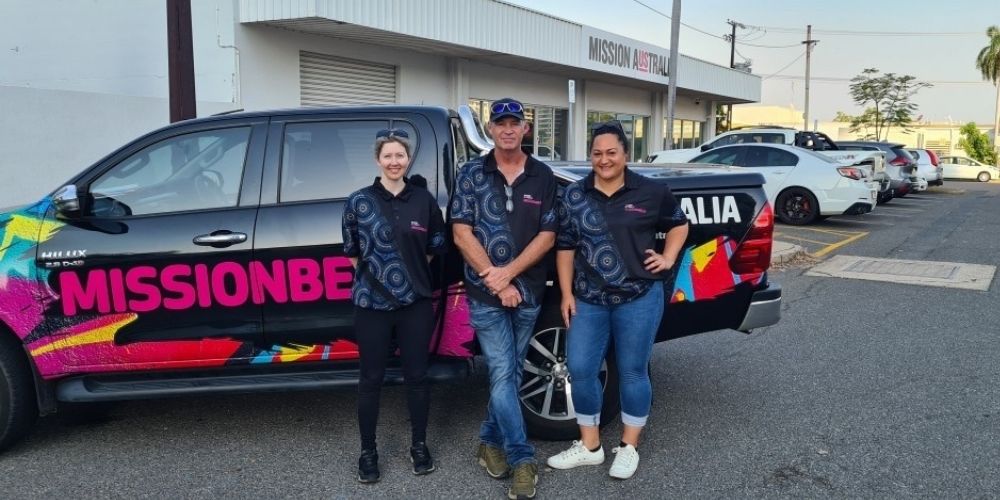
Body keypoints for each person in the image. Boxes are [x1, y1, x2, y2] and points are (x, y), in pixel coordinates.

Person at [546, 120, 689, 480]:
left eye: (611, 152)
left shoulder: (652, 191)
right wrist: (565, 293)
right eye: (597, 153)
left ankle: (628, 447)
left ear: (626, 154)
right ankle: (590, 446)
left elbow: (679, 224)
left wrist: (668, 257)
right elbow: (565, 247)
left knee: (632, 371)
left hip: (638, 296)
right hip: (589, 299)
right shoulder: (574, 195)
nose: (604, 159)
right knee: (580, 369)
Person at [450, 98, 557, 499]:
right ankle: (522, 458)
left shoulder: (542, 175)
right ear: (491, 130)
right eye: (500, 123)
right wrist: (496, 282)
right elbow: (462, 232)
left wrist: (509, 275)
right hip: (485, 294)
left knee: (510, 373)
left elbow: (548, 235)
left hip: (528, 291)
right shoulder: (471, 173)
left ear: (525, 129)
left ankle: (487, 441)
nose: (508, 129)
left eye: (515, 123)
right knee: (502, 372)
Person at [342, 128, 447, 484]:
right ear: (377, 160)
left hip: (415, 302)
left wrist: (409, 279)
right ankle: (368, 452)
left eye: (399, 155)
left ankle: (419, 446)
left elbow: (434, 246)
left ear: (408, 160)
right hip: (370, 304)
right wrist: (380, 281)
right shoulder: (358, 201)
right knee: (370, 379)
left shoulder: (424, 200)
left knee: (417, 377)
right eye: (387, 156)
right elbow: (353, 253)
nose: (394, 161)